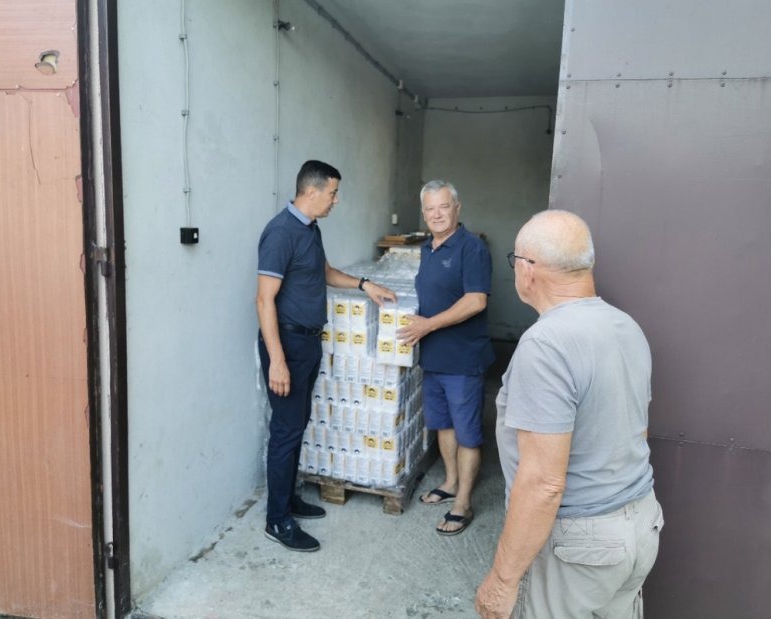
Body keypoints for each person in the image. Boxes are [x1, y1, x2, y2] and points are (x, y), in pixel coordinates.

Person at [475, 210, 663, 618]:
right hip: (640, 526)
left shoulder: (545, 345)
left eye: (515, 261)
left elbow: (542, 483)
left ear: (528, 271)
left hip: (580, 547)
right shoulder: (626, 327)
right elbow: (638, 432)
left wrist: (502, 581)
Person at [256, 160, 396, 552]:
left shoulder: (309, 229)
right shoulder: (281, 232)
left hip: (307, 344)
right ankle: (277, 520)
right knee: (285, 431)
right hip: (286, 345)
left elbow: (325, 271)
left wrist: (365, 284)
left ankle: (288, 499)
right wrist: (277, 360)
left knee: (297, 424)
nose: (336, 200)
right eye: (333, 193)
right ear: (312, 191)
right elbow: (264, 299)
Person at [397, 180, 495, 536]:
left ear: (458, 208)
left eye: (443, 207)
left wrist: (427, 326)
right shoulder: (428, 248)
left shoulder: (471, 248)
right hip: (434, 358)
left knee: (468, 432)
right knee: (443, 424)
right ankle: (451, 482)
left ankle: (464, 502)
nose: (436, 215)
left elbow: (475, 301)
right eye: (429, 209)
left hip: (464, 358)